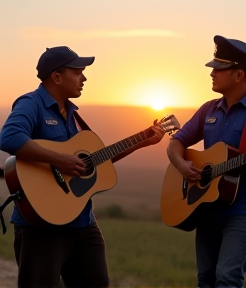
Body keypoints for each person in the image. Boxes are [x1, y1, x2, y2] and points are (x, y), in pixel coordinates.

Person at [0, 46, 166, 288]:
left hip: (83, 223)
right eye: (78, 72)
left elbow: (92, 164)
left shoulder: (74, 115)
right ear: (56, 77)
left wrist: (142, 142)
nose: (84, 78)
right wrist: (59, 159)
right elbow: (9, 137)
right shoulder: (31, 104)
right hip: (42, 226)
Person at [167, 35, 246, 287]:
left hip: (245, 208)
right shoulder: (208, 109)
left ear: (239, 75)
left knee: (228, 277)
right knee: (205, 279)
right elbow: (176, 142)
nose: (212, 73)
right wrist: (181, 164)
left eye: (219, 69)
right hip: (206, 206)